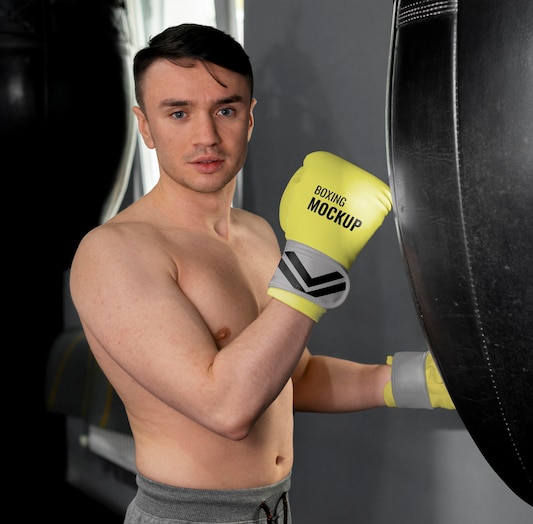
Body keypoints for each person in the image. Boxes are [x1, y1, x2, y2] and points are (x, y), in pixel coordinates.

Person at [69, 23, 454, 524]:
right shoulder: (114, 253)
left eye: (225, 109)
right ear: (145, 126)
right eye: (179, 113)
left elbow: (295, 376)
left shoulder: (257, 234)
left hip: (277, 510)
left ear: (249, 119)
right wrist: (313, 268)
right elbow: (227, 408)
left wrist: (415, 381)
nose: (206, 136)